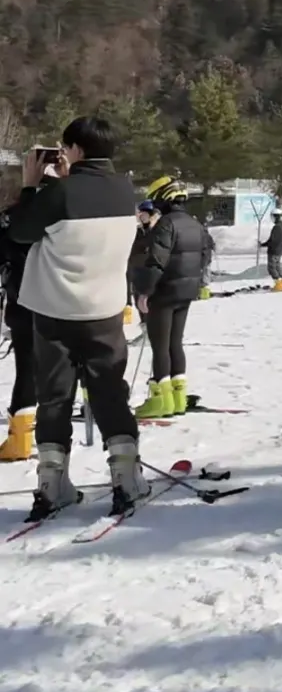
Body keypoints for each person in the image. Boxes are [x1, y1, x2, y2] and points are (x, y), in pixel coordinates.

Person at [5, 116, 148, 517]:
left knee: (54, 397)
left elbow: (19, 231)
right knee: (109, 392)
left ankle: (52, 484)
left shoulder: (60, 193)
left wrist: (32, 184)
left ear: (76, 150)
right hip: (103, 309)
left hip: (53, 311)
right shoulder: (126, 191)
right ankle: (125, 476)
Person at [132, 177, 214, 418]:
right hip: (186, 292)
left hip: (164, 292)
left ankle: (161, 400)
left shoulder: (166, 224)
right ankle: (178, 398)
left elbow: (157, 260)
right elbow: (205, 254)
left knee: (160, 346)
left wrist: (145, 291)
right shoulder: (194, 224)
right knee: (175, 342)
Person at [0, 192, 35, 461]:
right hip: (69, 303)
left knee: (27, 369)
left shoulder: (14, 218)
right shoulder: (68, 212)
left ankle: (21, 438)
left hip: (25, 304)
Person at [266, 209, 282, 289]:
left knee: (272, 268)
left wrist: (264, 244)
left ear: (276, 217)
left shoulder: (277, 227)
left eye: (273, 217)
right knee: (277, 266)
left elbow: (273, 240)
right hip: (279, 250)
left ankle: (279, 284)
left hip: (273, 250)